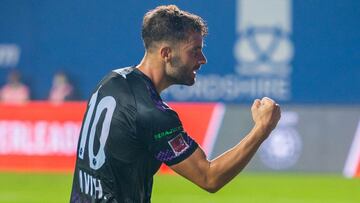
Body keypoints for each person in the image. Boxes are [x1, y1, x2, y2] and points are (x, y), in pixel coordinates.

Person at [70, 5, 281, 203]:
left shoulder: (110, 81)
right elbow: (209, 177)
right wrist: (262, 129)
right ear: (166, 54)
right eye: (194, 51)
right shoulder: (152, 113)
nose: (203, 59)